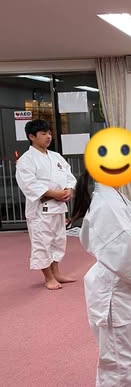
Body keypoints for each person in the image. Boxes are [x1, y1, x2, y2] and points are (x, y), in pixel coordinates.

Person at [70, 170, 131, 386]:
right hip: (115, 293)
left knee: (126, 361)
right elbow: (120, 249)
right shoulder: (106, 203)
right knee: (120, 367)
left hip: (122, 288)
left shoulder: (112, 197)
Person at [16, 119, 77, 290]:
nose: (48, 136)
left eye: (49, 133)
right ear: (32, 137)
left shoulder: (56, 157)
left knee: (58, 241)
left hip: (58, 208)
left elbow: (69, 175)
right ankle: (48, 277)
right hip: (40, 210)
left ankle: (57, 273)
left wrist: (69, 189)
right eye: (43, 134)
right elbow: (29, 184)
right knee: (42, 243)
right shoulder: (26, 160)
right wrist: (54, 193)